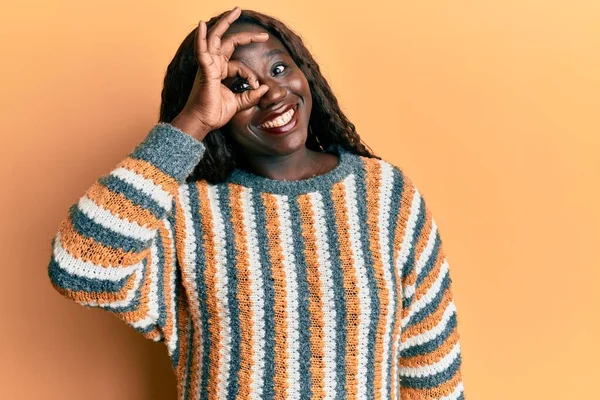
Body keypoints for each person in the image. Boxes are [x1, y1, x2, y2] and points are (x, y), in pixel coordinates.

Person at [48, 6, 465, 399]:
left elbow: (432, 368)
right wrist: (194, 121)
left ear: (307, 73)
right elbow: (80, 269)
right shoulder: (186, 209)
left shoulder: (385, 195)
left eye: (279, 69)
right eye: (239, 85)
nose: (271, 94)